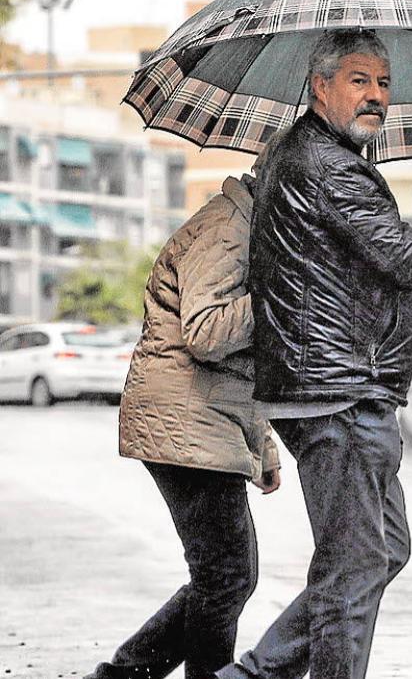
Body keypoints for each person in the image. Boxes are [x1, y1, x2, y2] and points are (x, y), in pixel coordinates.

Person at [218, 28, 412, 679]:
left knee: (383, 549)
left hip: (335, 385)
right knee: (355, 567)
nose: (376, 97)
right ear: (321, 86)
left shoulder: (304, 153)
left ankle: (254, 673)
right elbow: (402, 253)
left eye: (384, 84)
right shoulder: (328, 163)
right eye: (359, 81)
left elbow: (348, 261)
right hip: (338, 390)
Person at [86, 166, 281, 679]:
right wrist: (274, 296)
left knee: (224, 574)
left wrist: (263, 449)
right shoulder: (228, 229)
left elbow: (240, 367)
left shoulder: (250, 228)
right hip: (185, 421)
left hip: (201, 419)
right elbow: (206, 333)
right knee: (228, 574)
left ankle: (124, 674)